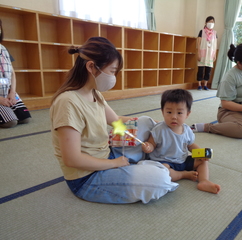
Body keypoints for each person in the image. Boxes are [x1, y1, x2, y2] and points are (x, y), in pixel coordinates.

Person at [50, 37, 178, 204]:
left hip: (107, 155)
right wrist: (115, 163)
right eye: (112, 71)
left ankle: (140, 161)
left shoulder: (94, 93)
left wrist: (139, 132)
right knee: (160, 179)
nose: (113, 77)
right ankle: (141, 165)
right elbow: (72, 159)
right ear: (91, 67)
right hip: (87, 177)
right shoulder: (67, 103)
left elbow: (116, 121)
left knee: (146, 122)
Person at [141, 89, 221, 194]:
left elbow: (191, 145)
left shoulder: (187, 130)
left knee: (202, 162)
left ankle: (204, 181)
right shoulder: (159, 129)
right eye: (169, 112)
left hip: (182, 160)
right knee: (162, 172)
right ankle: (183, 175)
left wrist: (200, 153)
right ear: (162, 111)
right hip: (164, 161)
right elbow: (152, 143)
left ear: (187, 114)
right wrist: (148, 146)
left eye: (179, 113)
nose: (174, 116)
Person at [0, 19, 31, 128]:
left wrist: (12, 93)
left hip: (7, 91)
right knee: (11, 122)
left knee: (25, 118)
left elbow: (12, 74)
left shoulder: (3, 49)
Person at [196, 16, 217, 91]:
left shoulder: (214, 33)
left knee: (208, 71)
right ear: (206, 22)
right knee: (200, 70)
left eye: (212, 22)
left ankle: (205, 85)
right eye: (209, 21)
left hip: (210, 54)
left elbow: (215, 45)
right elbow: (198, 43)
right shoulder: (201, 31)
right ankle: (199, 85)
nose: (211, 23)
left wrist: (214, 55)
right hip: (202, 52)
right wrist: (198, 53)